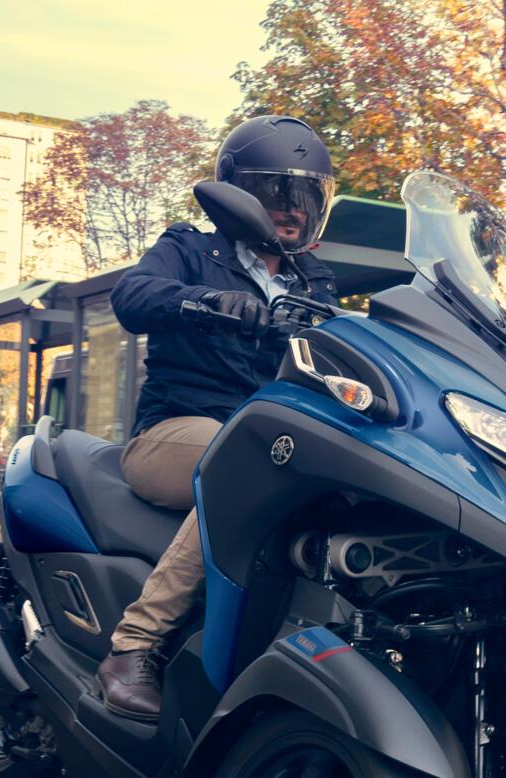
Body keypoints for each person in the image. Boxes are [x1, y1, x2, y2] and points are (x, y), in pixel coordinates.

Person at [95, 115, 339, 718]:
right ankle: (134, 644)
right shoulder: (188, 249)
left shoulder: (315, 281)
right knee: (243, 463)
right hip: (176, 432)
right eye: (276, 192)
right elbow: (132, 296)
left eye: (306, 196)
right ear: (236, 194)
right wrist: (207, 302)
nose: (292, 209)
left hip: (276, 443)